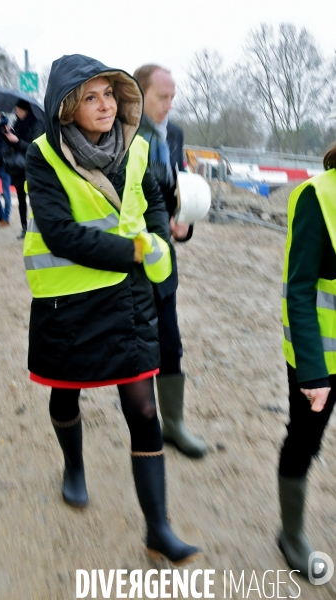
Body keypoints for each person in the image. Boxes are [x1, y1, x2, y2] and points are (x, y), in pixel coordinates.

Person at [24, 53, 200, 565]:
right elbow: (59, 232)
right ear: (67, 108)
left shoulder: (139, 146)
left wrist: (160, 235)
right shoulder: (43, 156)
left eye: (109, 94)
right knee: (66, 394)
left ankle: (159, 529)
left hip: (127, 299)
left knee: (143, 408)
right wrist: (134, 252)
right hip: (69, 301)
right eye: (91, 97)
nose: (104, 105)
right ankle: (74, 466)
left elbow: (153, 202)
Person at [133, 64, 207, 458]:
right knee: (132, 346)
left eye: (172, 96)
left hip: (164, 258)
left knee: (169, 342)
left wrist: (183, 225)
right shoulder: (122, 136)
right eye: (162, 97)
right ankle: (143, 421)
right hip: (127, 259)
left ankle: (174, 425)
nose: (169, 104)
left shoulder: (173, 135)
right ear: (139, 94)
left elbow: (175, 193)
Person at [279, 144, 336, 578]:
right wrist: (313, 371)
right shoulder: (320, 197)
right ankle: (292, 534)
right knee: (305, 440)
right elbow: (299, 288)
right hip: (322, 358)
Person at [3, 100, 44, 238]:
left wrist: (17, 141)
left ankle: (38, 228)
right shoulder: (17, 123)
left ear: (26, 110)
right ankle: (24, 228)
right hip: (19, 166)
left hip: (33, 166)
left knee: (34, 199)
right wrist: (8, 135)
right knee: (21, 198)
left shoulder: (37, 123)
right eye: (16, 110)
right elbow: (13, 145)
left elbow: (35, 147)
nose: (17, 113)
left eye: (19, 110)